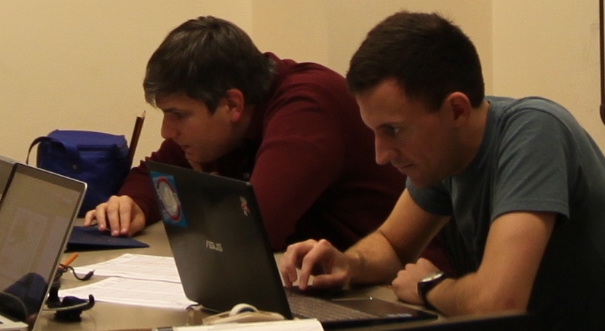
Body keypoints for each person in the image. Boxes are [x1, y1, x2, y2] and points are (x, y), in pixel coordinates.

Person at [280, 11, 605, 331]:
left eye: (394, 130)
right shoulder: (445, 151)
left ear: (457, 110)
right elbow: (392, 244)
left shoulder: (534, 134)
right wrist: (347, 263)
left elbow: (499, 304)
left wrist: (430, 287)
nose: (381, 154)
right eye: (374, 131)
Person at [86, 16, 437, 258]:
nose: (168, 131)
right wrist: (133, 203)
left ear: (232, 104)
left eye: (178, 114)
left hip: (392, 287)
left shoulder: (306, 105)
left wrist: (199, 191)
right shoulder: (227, 117)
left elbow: (252, 230)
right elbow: (154, 175)